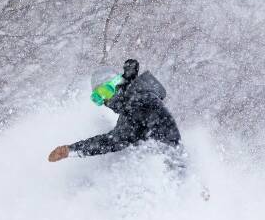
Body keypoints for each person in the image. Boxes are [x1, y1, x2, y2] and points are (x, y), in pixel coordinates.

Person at [48, 59, 184, 175]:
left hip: (170, 167)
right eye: (98, 98)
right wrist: (71, 150)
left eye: (105, 91)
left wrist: (177, 168)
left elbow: (167, 132)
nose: (105, 101)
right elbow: (112, 141)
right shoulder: (130, 110)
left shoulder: (141, 99)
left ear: (117, 84)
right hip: (162, 168)